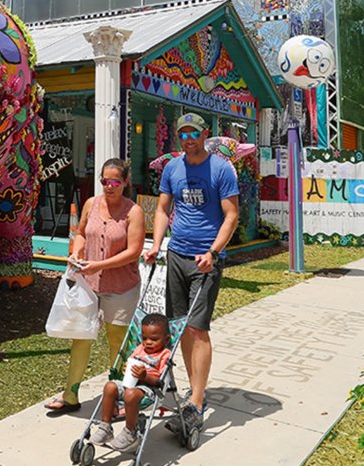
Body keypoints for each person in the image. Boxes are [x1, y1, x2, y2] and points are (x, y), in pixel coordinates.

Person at [142, 112, 239, 434]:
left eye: (193, 133)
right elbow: (162, 209)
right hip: (177, 255)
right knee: (180, 326)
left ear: (204, 134)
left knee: (198, 329)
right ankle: (194, 389)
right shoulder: (173, 168)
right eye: (182, 134)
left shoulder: (222, 169)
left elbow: (231, 216)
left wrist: (213, 252)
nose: (188, 139)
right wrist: (155, 244)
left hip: (206, 259)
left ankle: (196, 401)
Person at [45, 158, 145, 414]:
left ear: (125, 183)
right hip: (89, 284)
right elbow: (79, 233)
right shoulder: (91, 203)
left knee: (117, 340)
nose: (109, 186)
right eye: (104, 181)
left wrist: (99, 265)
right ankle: (70, 396)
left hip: (121, 287)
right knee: (81, 336)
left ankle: (119, 397)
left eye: (114, 182)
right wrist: (77, 253)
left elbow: (134, 252)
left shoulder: (133, 211)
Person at [89, 313, 173, 451]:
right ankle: (105, 427)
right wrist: (126, 368)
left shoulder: (165, 355)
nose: (148, 342)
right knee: (110, 386)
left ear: (166, 338)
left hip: (150, 389)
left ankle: (130, 432)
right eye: (145, 338)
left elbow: (160, 383)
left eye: (154, 339)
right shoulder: (140, 349)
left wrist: (145, 376)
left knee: (130, 394)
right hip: (131, 383)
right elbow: (129, 364)